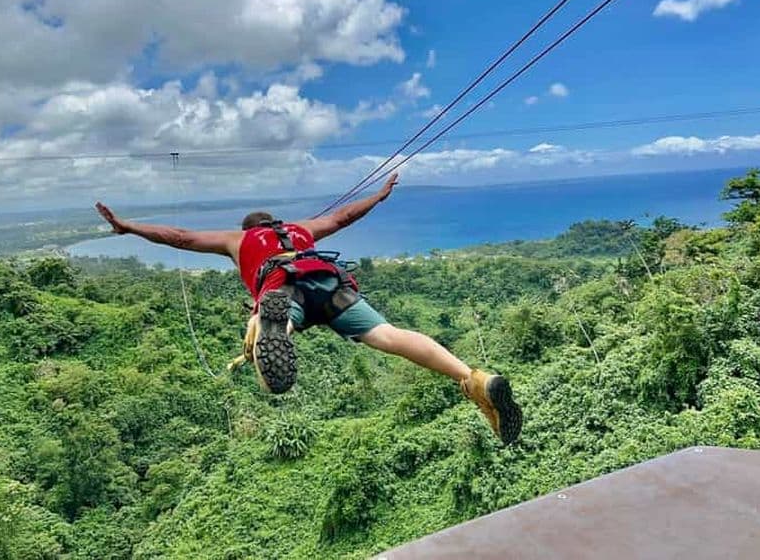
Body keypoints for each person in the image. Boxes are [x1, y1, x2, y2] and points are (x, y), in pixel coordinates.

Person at [95, 174, 522, 444]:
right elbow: (342, 217)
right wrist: (378, 196)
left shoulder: (239, 240)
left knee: (266, 332)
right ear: (276, 223)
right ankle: (473, 378)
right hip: (331, 283)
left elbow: (181, 237)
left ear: (249, 229)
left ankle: (268, 325)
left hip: (284, 287)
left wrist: (129, 227)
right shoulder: (301, 230)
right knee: (388, 336)